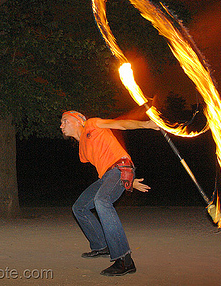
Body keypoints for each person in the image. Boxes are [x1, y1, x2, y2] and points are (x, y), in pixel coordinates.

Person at [60, 110, 157, 276]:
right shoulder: (82, 152)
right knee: (80, 207)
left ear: (79, 120)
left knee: (102, 201)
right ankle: (101, 245)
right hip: (108, 176)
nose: (61, 125)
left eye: (65, 121)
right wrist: (129, 181)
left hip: (119, 168)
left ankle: (124, 259)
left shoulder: (92, 124)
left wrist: (146, 124)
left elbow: (120, 124)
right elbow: (104, 161)